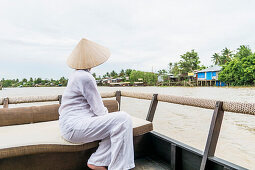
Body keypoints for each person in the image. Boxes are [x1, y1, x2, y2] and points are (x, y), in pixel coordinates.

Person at [58, 38, 135, 170]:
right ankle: (120, 168)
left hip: (70, 125)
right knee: (123, 120)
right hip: (74, 127)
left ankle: (98, 161)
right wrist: (109, 120)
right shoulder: (85, 77)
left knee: (115, 124)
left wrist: (108, 121)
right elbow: (99, 109)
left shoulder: (76, 75)